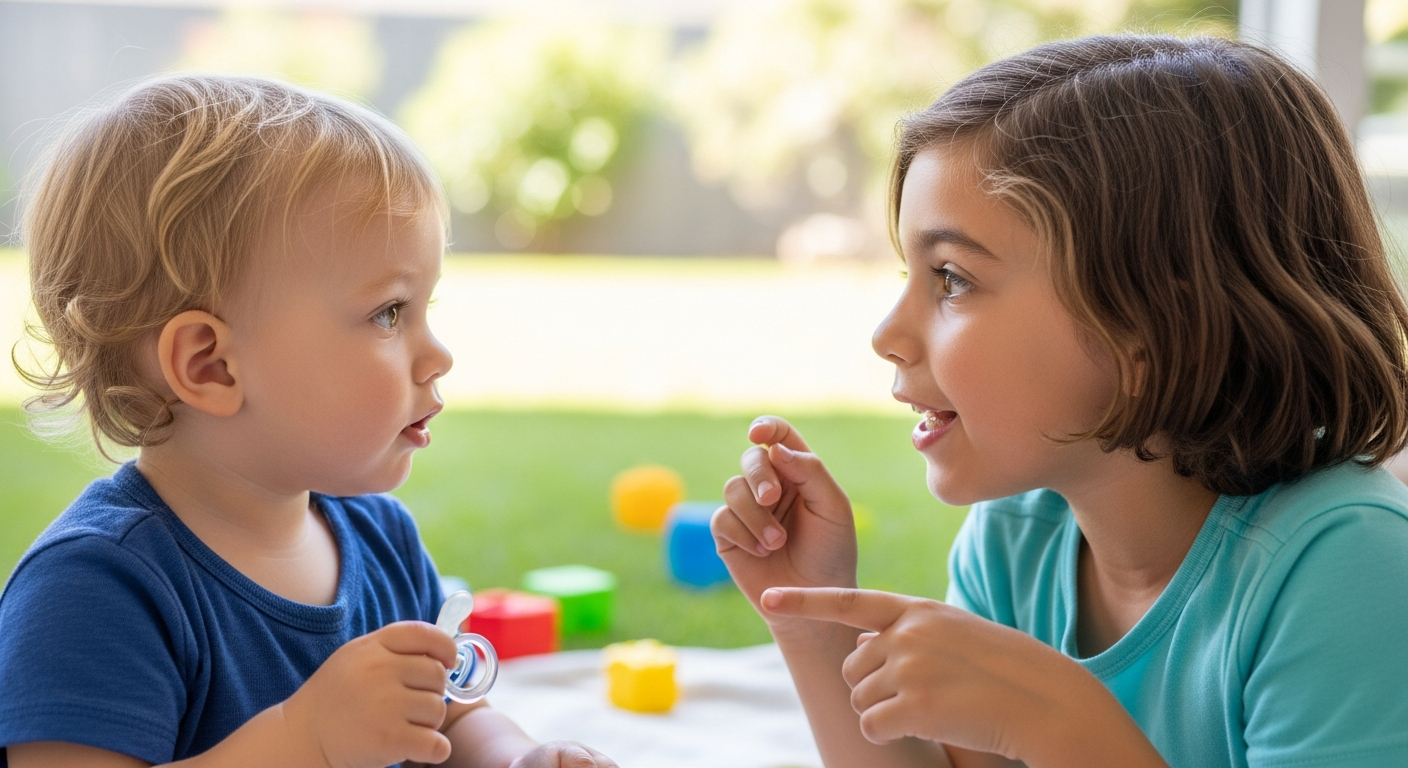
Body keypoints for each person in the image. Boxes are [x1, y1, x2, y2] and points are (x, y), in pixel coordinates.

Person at [713, 35, 1408, 768]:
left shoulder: (1347, 568)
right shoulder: (1018, 537)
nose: (886, 335)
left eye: (951, 279)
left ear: (1147, 329)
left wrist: (1055, 719)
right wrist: (814, 622)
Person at [0, 75, 616, 768]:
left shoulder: (381, 539)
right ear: (211, 366)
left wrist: (519, 758)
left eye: (425, 308)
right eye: (388, 313)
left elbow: (452, 713)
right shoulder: (96, 587)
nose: (439, 355)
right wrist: (305, 737)